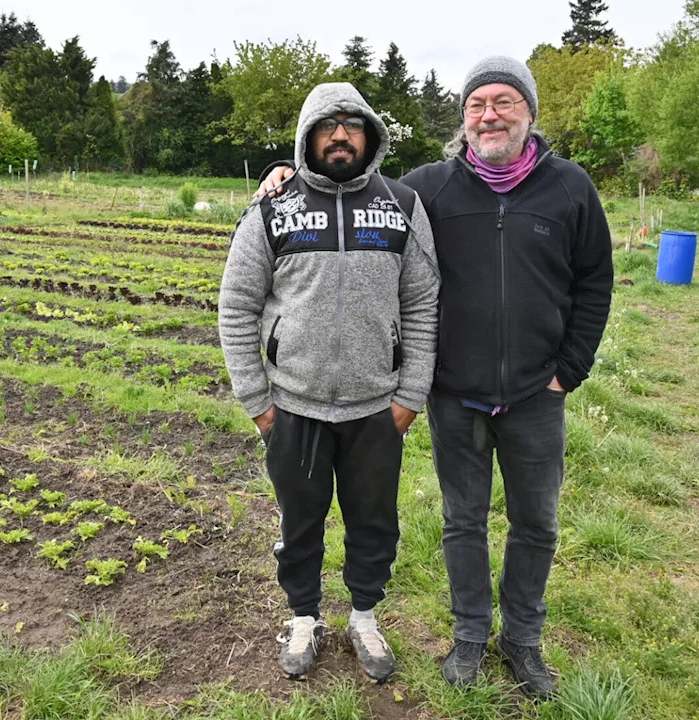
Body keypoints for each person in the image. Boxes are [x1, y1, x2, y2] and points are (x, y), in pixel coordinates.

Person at [258, 57, 613, 697]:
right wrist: (287, 175)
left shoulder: (570, 189)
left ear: (529, 112)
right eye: (478, 105)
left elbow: (595, 282)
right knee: (463, 520)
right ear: (464, 118)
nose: (490, 115)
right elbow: (349, 181)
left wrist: (570, 370)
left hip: (538, 394)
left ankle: (523, 640)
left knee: (537, 523)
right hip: (457, 395)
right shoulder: (431, 190)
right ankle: (471, 636)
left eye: (504, 102)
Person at [219, 82, 441, 683]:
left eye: (352, 124)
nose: (340, 135)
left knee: (374, 522)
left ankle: (364, 617)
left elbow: (421, 302)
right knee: (301, 521)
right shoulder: (273, 208)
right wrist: (258, 402)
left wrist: (409, 395)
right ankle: (303, 618)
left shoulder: (401, 205)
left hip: (377, 411)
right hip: (292, 408)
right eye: (327, 125)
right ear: (307, 135)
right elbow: (237, 305)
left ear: (370, 135)